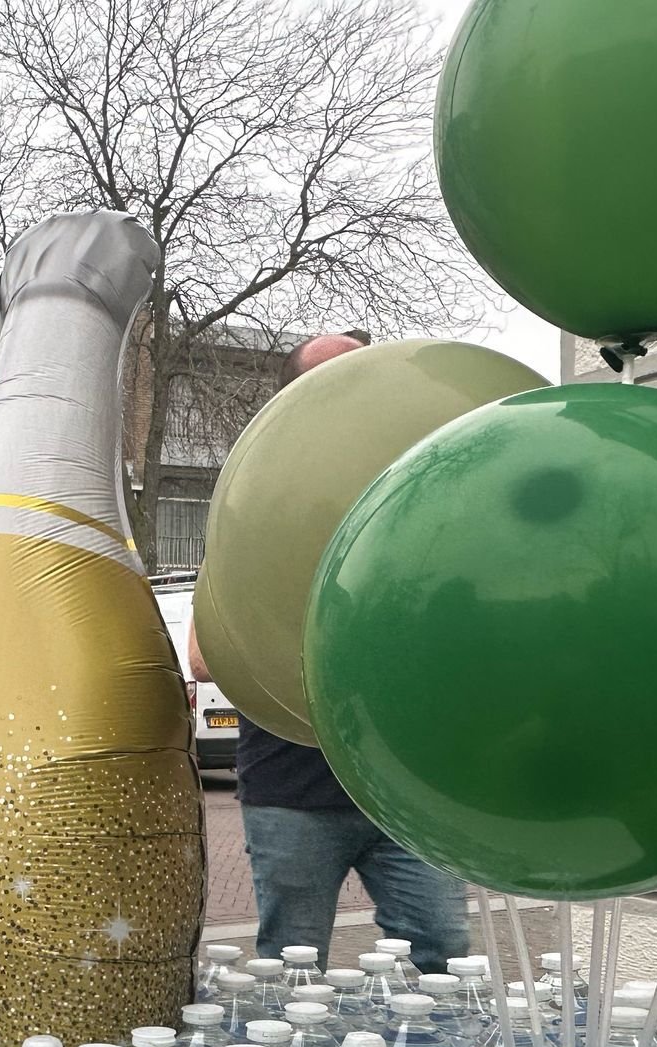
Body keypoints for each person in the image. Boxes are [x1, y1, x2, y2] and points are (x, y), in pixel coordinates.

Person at [195, 333, 470, 972]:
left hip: (409, 792)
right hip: (294, 791)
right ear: (290, 404)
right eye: (333, 383)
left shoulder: (418, 502)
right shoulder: (260, 510)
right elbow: (206, 659)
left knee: (444, 954)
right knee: (292, 968)